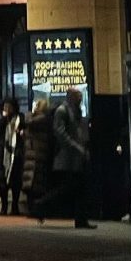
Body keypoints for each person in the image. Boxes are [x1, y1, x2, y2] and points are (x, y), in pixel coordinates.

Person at [49, 87, 92, 227]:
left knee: (76, 188)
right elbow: (61, 133)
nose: (79, 100)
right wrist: (77, 147)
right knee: (68, 188)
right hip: (67, 157)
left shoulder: (75, 111)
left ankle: (81, 219)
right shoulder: (63, 111)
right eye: (77, 97)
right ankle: (42, 206)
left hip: (75, 156)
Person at [21, 97, 54, 221]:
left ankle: (34, 209)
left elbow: (28, 122)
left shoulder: (39, 119)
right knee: (34, 183)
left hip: (35, 153)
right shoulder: (45, 120)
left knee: (33, 183)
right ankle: (35, 209)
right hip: (36, 153)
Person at [0, 96, 24, 216]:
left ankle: (14, 206)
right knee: (2, 183)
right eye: (5, 106)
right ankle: (4, 206)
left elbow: (24, 131)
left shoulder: (20, 118)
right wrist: (3, 118)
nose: (7, 108)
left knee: (15, 182)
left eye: (9, 106)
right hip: (3, 153)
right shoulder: (2, 120)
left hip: (15, 153)